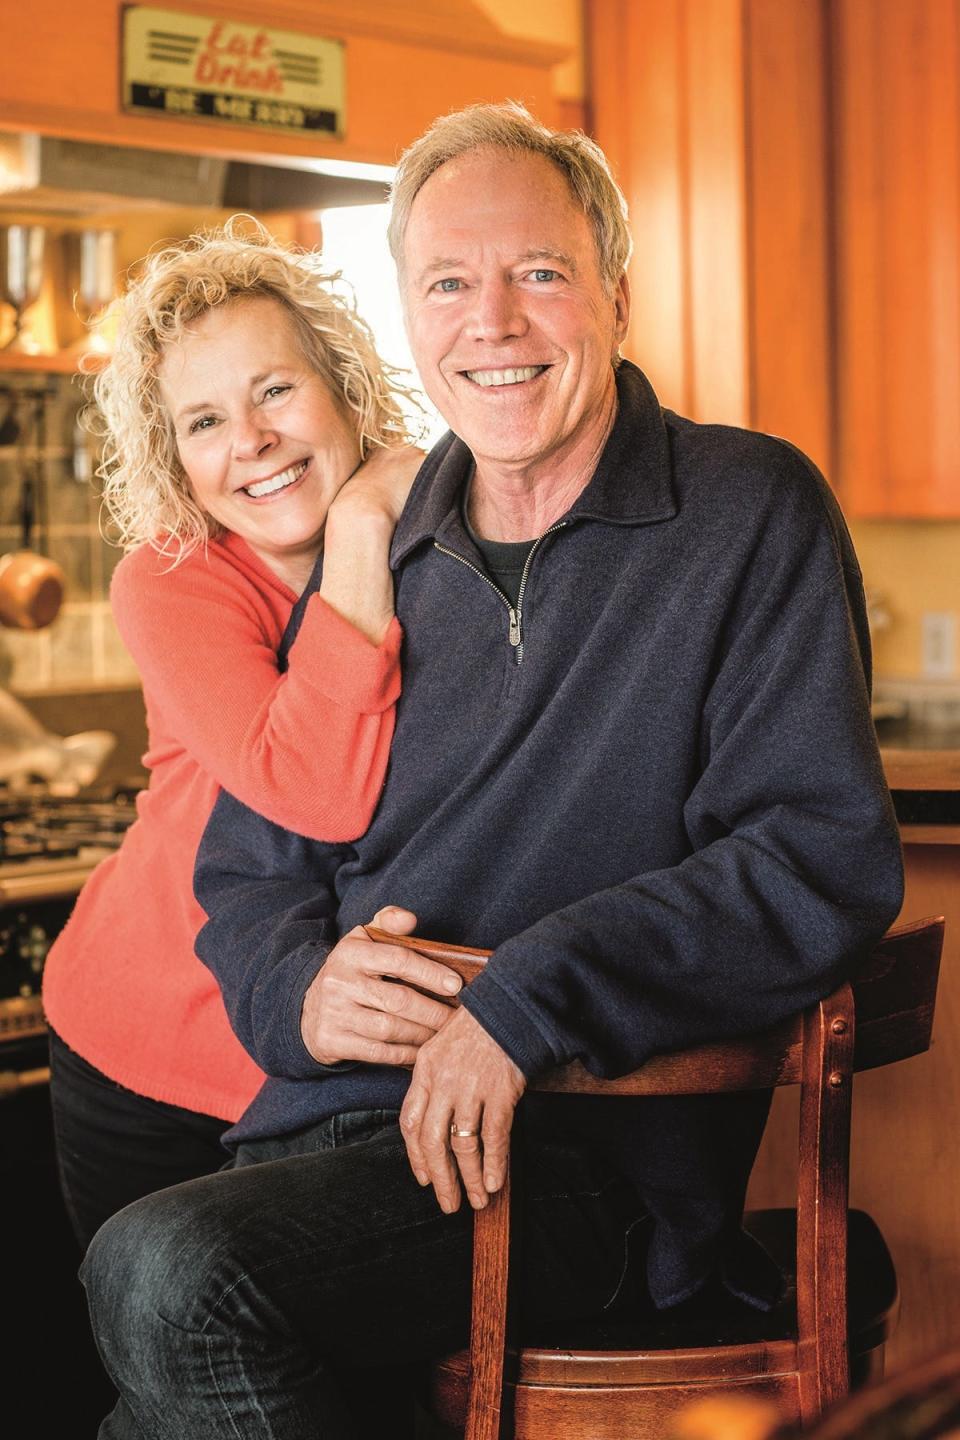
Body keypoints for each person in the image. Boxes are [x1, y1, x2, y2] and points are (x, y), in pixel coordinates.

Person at [82, 103, 903, 1440]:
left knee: (163, 1276)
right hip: (321, 1145)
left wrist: (528, 998)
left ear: (615, 295)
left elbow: (816, 857)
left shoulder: (747, 510)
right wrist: (302, 991)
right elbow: (250, 874)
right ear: (408, 318)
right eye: (449, 284)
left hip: (574, 1158)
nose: (493, 323)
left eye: (538, 273)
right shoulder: (381, 547)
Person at [42, 219, 423, 1249]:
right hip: (145, 1041)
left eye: (273, 391)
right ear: (176, 457)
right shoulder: (171, 577)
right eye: (203, 421)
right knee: (164, 1371)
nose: (248, 440)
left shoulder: (440, 537)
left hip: (330, 1051)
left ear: (344, 387)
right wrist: (356, 530)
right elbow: (315, 789)